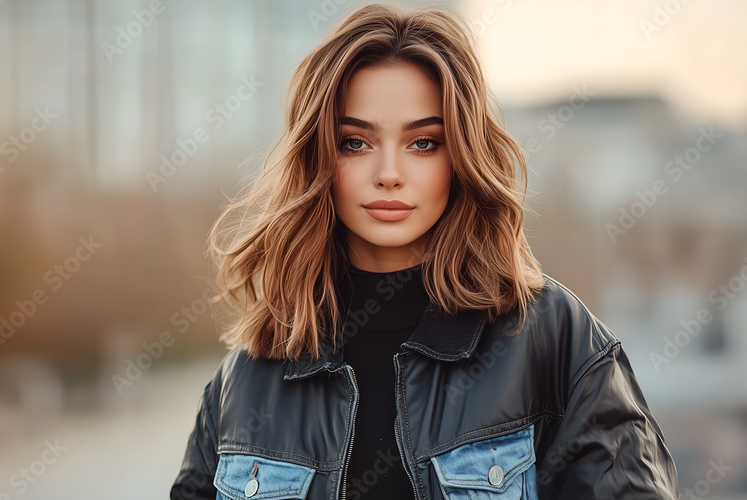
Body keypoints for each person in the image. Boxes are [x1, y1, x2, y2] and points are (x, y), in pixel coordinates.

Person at [170, 3, 679, 499]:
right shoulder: (244, 380)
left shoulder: (554, 341)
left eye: (422, 143)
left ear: (461, 155)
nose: (389, 173)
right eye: (355, 142)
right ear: (319, 157)